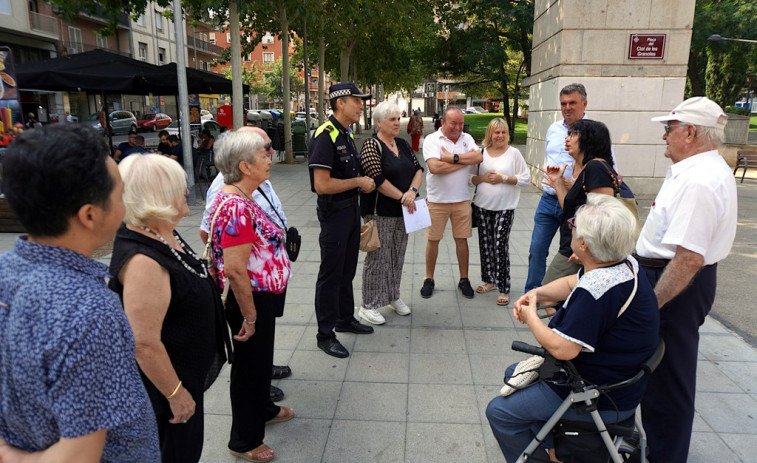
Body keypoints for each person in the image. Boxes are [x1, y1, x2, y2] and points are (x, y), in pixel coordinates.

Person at [0, 125, 159, 462]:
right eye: (120, 194)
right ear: (89, 215)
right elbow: (77, 456)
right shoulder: (88, 310)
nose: (125, 201)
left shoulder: (5, 270)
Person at [486, 194, 659, 463]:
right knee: (514, 373)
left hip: (599, 395)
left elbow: (562, 348)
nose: (570, 228)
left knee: (500, 412)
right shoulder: (624, 264)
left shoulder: (597, 291)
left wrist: (531, 315)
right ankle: (555, 449)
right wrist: (536, 294)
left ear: (584, 244)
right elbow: (571, 283)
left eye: (572, 226)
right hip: (620, 382)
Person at [108, 154, 229, 463]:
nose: (187, 190)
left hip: (184, 377)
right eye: (178, 186)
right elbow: (144, 342)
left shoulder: (161, 232)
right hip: (166, 395)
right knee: (177, 454)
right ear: (155, 197)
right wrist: (176, 395)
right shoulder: (143, 261)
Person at [638, 97, 737, 463]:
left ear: (690, 133)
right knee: (660, 373)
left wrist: (652, 304)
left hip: (675, 284)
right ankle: (660, 448)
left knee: (669, 378)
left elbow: (688, 258)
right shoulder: (692, 169)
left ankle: (666, 456)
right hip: (670, 278)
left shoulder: (699, 181)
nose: (664, 136)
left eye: (669, 129)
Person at [208, 129, 294, 463]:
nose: (270, 157)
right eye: (263, 154)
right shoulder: (236, 207)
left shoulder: (242, 197)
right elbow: (235, 270)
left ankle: (263, 409)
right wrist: (250, 315)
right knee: (249, 367)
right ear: (245, 166)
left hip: (260, 296)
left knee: (259, 364)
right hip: (249, 299)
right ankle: (243, 440)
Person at [308, 82, 376, 358]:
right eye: (356, 101)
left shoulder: (344, 134)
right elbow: (321, 184)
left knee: (347, 270)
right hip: (334, 213)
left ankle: (344, 318)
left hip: (350, 210)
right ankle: (325, 334)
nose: (361, 105)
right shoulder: (326, 135)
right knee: (330, 275)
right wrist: (358, 181)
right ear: (340, 103)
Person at [357, 101, 423, 325]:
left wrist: (412, 192)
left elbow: (418, 170)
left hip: (404, 212)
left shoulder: (402, 144)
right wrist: (403, 197)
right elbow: (377, 179)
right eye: (392, 120)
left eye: (398, 118)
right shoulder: (371, 145)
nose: (397, 123)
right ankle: (369, 304)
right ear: (378, 122)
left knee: (397, 256)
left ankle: (393, 295)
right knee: (378, 258)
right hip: (380, 213)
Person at [525, 83, 588, 292]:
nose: (567, 107)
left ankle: (564, 296)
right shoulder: (553, 129)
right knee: (536, 249)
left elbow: (609, 167)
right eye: (563, 103)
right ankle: (533, 295)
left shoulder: (593, 131)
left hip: (575, 204)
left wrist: (578, 185)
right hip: (548, 199)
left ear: (584, 103)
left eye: (572, 103)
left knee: (572, 253)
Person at [541, 119, 617, 285]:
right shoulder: (587, 168)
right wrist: (558, 182)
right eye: (568, 133)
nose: (567, 138)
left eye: (574, 134)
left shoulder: (595, 168)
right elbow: (568, 210)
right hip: (574, 246)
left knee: (546, 294)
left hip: (582, 250)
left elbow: (604, 215)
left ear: (589, 139)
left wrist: (587, 247)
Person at [420, 107, 483, 299]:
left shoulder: (467, 139)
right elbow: (435, 167)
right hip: (437, 201)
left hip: (462, 200)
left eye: (461, 123)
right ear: (443, 123)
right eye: (453, 123)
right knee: (433, 240)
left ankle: (464, 279)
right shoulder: (432, 140)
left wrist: (452, 157)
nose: (457, 127)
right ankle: (429, 279)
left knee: (462, 240)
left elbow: (479, 157)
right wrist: (463, 161)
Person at [471, 118, 530, 306]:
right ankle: (489, 280)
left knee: (499, 244)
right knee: (485, 244)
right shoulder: (481, 153)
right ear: (490, 134)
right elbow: (471, 179)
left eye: (503, 132)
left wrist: (504, 178)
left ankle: (504, 287)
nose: (500, 136)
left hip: (505, 207)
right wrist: (482, 178)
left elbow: (526, 179)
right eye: (496, 132)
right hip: (482, 205)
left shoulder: (514, 154)